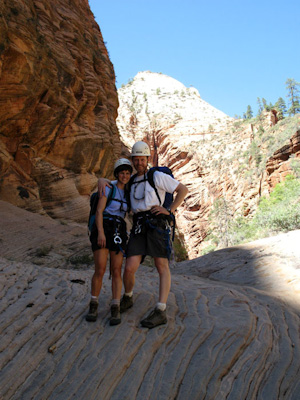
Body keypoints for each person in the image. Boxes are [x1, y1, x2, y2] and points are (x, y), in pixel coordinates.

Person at [98, 141, 188, 328]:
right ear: (132, 160)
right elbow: (113, 183)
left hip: (156, 224)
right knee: (129, 267)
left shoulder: (157, 176)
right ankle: (128, 297)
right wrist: (101, 180)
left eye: (142, 159)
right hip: (139, 225)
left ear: (147, 159)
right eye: (136, 160)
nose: (139, 163)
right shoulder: (131, 180)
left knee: (161, 265)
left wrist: (169, 210)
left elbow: (182, 190)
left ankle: (161, 310)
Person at [86, 158, 132, 325]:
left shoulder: (128, 192)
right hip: (104, 226)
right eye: (122, 173)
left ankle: (115, 306)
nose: (125, 176)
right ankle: (93, 303)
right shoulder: (108, 188)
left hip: (119, 230)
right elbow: (99, 211)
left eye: (127, 173)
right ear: (117, 174)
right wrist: (100, 233)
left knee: (116, 270)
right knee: (100, 268)